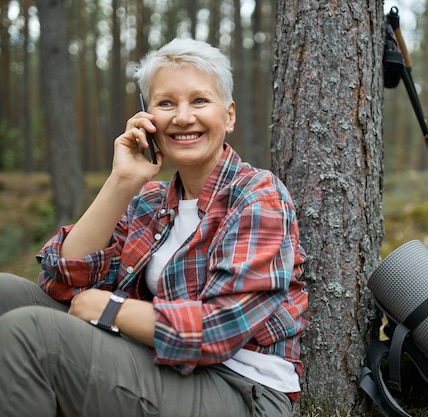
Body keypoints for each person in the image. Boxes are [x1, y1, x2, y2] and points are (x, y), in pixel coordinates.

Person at [0, 37, 309, 417]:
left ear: (228, 115)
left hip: (241, 390)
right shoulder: (150, 200)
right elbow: (61, 281)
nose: (182, 117)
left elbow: (221, 329)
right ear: (148, 120)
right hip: (161, 365)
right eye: (166, 103)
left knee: (32, 336)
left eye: (199, 100)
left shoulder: (257, 196)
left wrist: (112, 309)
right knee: (6, 293)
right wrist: (122, 181)